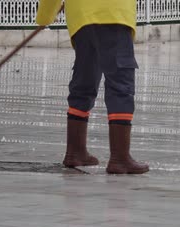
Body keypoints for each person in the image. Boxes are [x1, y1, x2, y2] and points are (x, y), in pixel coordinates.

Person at [36, 0, 149, 174]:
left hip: (80, 18)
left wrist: (45, 16)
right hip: (113, 13)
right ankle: (120, 158)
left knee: (84, 80)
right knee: (120, 83)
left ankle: (75, 152)